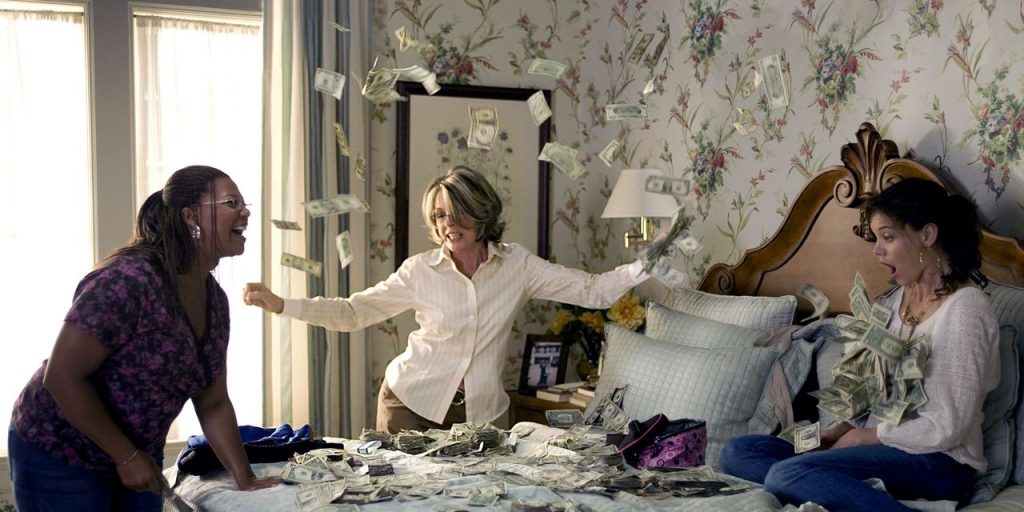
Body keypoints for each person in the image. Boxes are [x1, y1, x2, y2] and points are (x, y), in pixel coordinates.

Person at [244, 166, 648, 433]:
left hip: (482, 416)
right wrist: (283, 304)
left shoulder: (518, 265)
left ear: (482, 213)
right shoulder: (419, 271)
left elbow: (593, 291)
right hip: (410, 407)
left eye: (457, 213)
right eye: (439, 215)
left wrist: (648, 262)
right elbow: (353, 312)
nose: (448, 224)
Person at [719, 178, 999, 510]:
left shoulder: (965, 309)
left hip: (938, 462)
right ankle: (832, 487)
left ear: (927, 235)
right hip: (878, 450)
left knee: (786, 475)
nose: (877, 250)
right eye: (876, 238)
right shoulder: (892, 304)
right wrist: (841, 430)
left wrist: (863, 438)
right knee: (738, 452)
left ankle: (818, 483)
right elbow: (874, 394)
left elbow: (947, 427)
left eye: (888, 237)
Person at [8, 166, 277, 512]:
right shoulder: (127, 281)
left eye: (243, 203)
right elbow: (61, 377)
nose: (245, 212)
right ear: (191, 217)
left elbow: (213, 402)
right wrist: (126, 456)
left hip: (139, 453)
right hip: (61, 450)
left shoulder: (215, 302)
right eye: (231, 202)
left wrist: (246, 478)